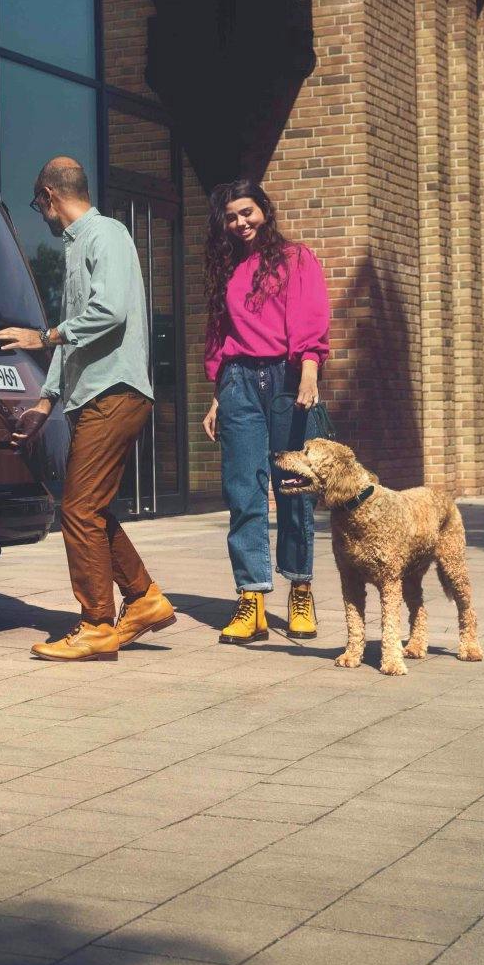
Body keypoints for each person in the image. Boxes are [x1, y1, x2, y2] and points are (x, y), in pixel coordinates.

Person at [0, 158, 174, 662]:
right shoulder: (78, 248)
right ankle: (143, 599)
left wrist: (43, 335)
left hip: (113, 391)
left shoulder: (106, 235)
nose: (42, 217)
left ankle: (96, 624)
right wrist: (45, 401)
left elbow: (109, 312)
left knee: (78, 509)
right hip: (94, 393)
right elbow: (75, 339)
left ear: (49, 196)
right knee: (89, 507)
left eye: (38, 206)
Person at [201, 179, 330, 644]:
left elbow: (310, 316)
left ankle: (301, 590)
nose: (240, 223)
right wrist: (218, 395)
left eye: (247, 212)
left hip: (287, 379)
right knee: (243, 491)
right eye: (231, 217)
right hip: (237, 383)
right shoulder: (227, 269)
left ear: (264, 210)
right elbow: (221, 335)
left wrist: (309, 373)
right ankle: (251, 598)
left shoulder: (296, 258)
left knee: (293, 487)